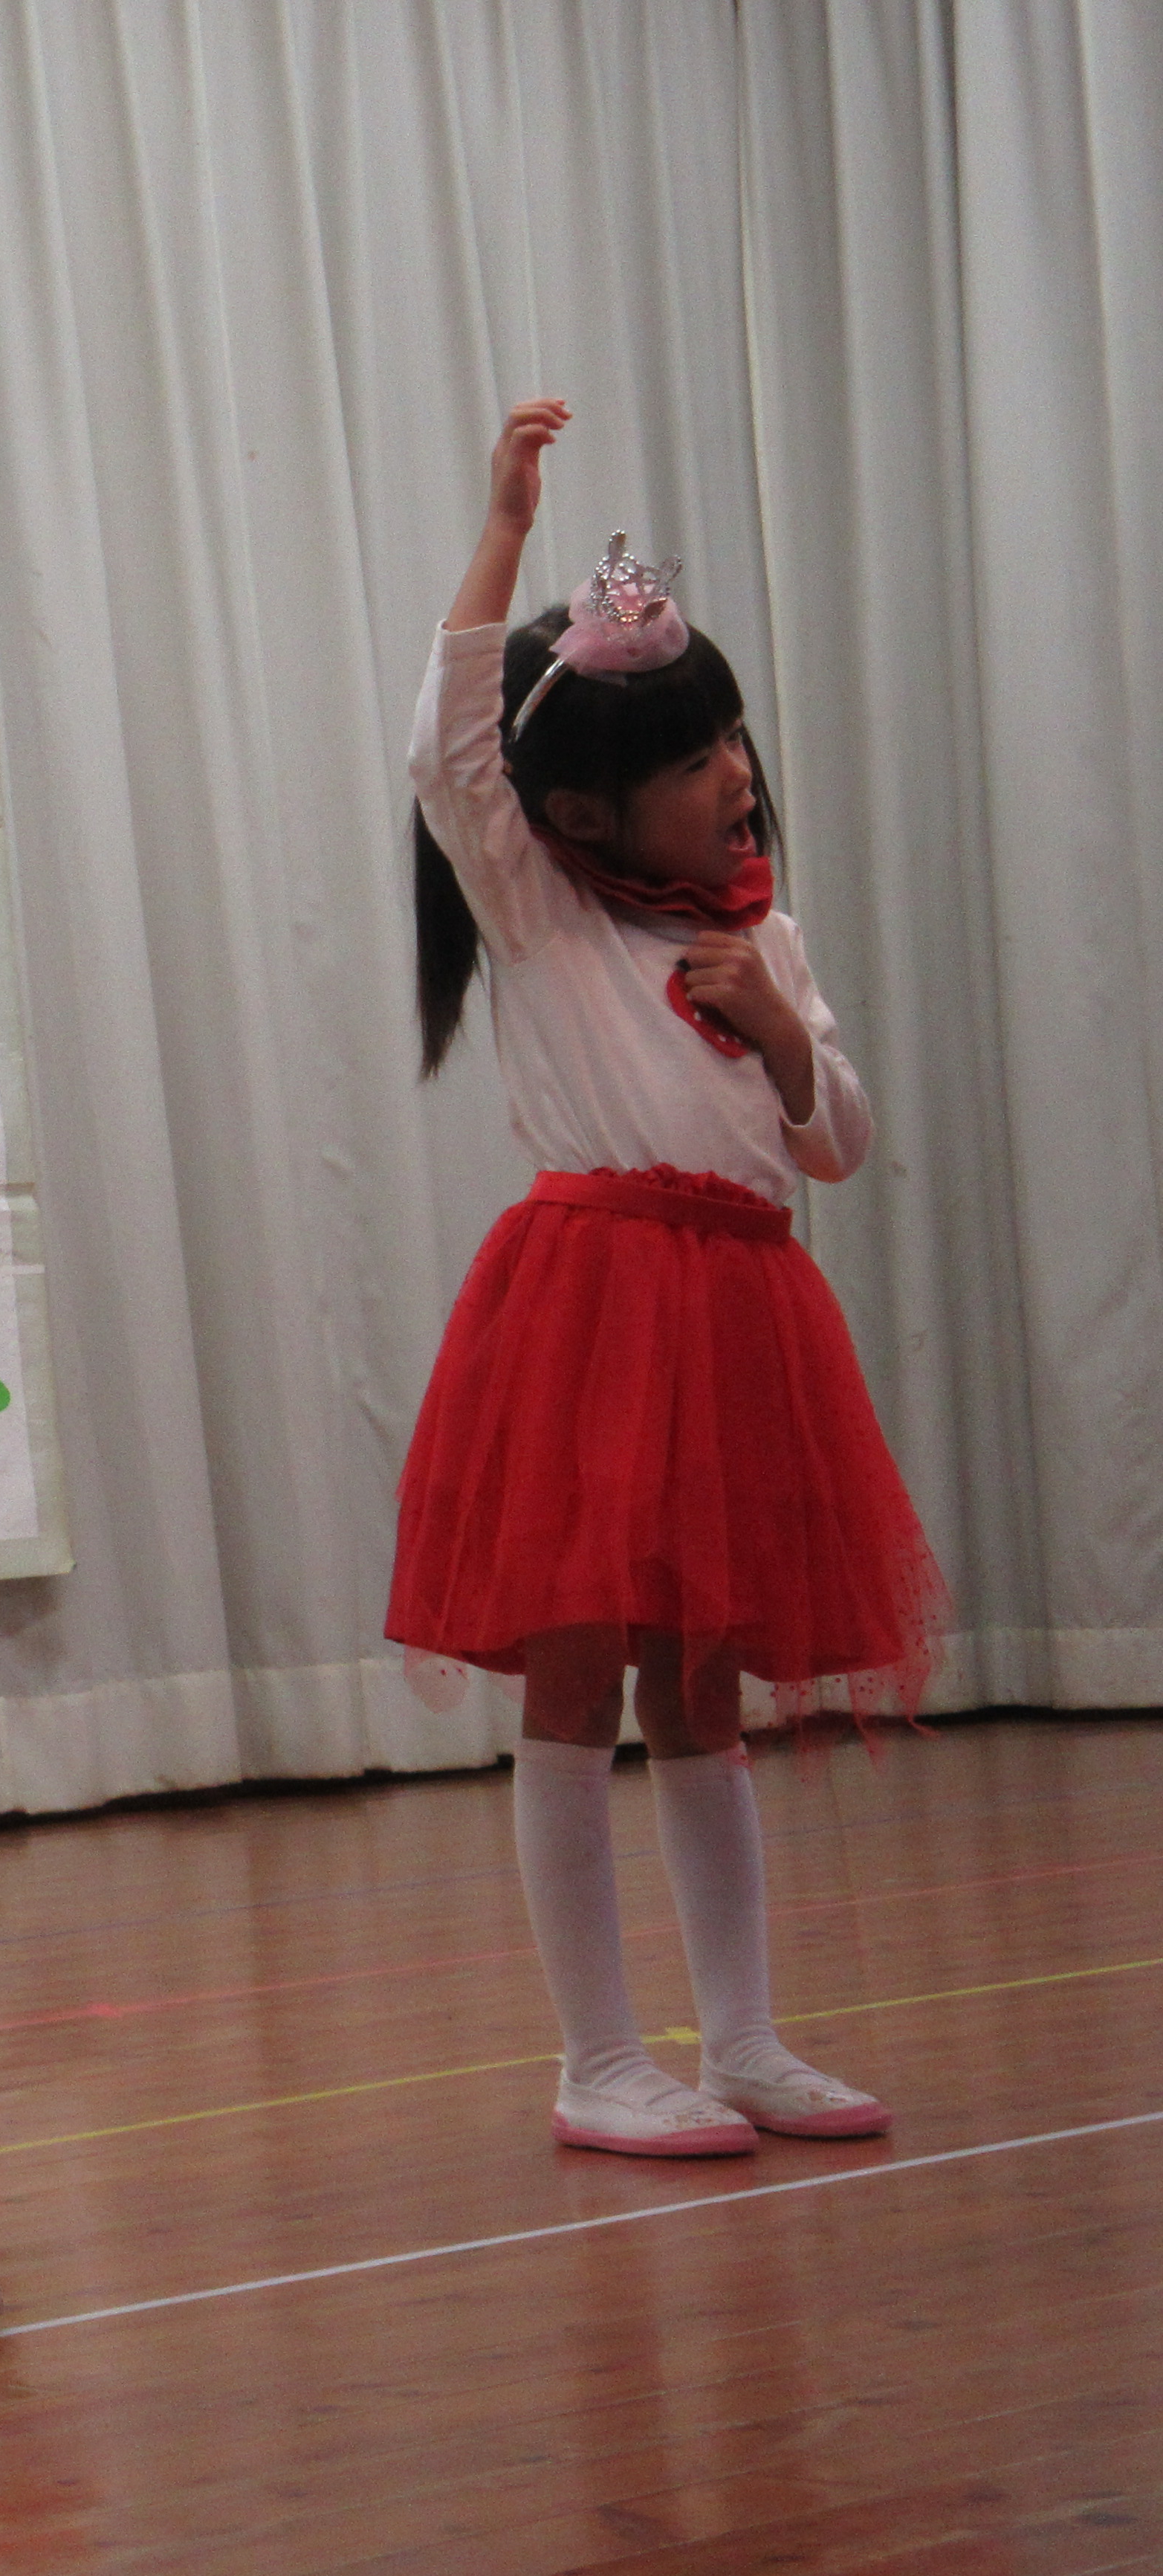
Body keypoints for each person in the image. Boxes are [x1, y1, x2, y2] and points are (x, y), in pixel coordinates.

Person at [397, 396, 938, 2159]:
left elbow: (835, 1145)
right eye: (693, 758)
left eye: (729, 741)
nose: (734, 775)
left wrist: (783, 1030)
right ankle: (597, 2059)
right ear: (581, 809)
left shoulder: (761, 930)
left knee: (703, 1694)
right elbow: (448, 752)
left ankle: (746, 2038)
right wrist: (504, 528)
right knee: (573, 1677)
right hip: (592, 1320)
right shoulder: (541, 907)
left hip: (738, 1319)